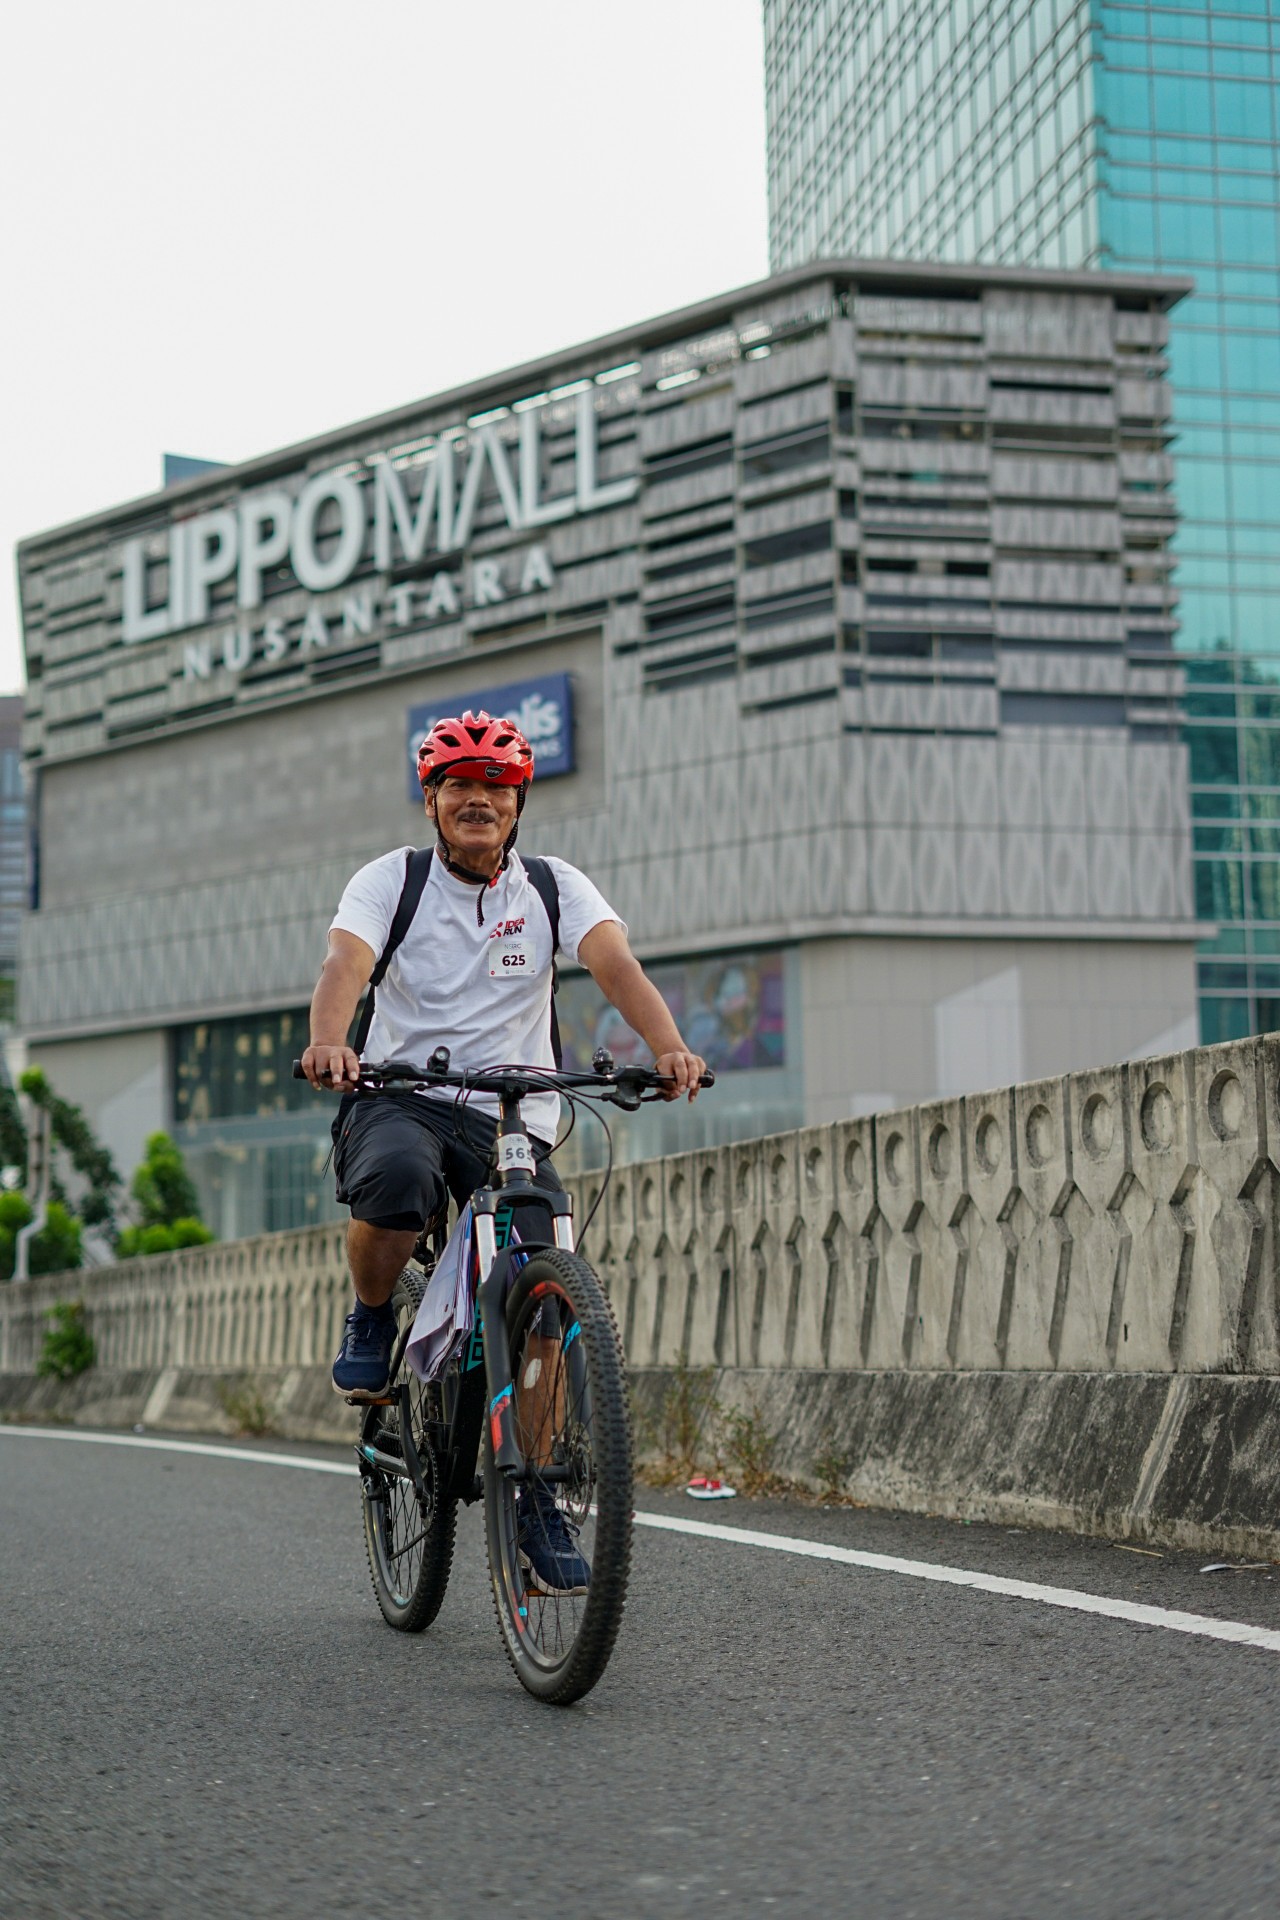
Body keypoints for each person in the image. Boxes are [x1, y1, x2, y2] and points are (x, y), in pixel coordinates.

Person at [301, 707, 706, 1591]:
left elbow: (617, 967)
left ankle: (533, 1497)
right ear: (432, 802)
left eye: (496, 786)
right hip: (401, 1095)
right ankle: (373, 1313)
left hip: (513, 1114)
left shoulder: (553, 889)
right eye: (459, 786)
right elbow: (345, 967)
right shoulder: (391, 881)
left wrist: (670, 1047)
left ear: (519, 804)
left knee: (546, 1296)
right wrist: (331, 1042)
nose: (477, 799)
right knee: (397, 1179)